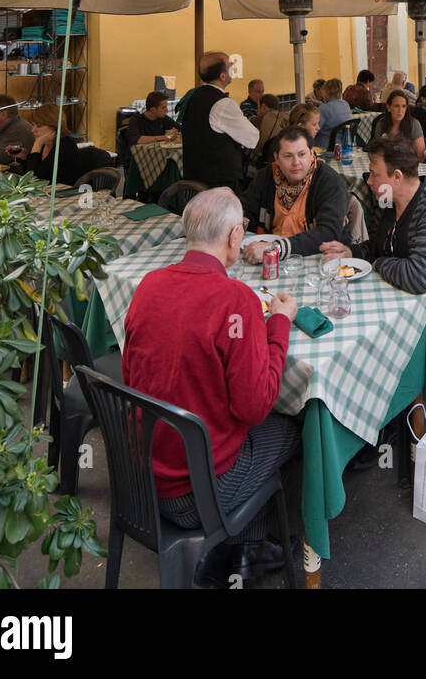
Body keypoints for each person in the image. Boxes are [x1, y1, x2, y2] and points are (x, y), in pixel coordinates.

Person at [122, 187, 300, 582]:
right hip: (197, 492)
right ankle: (250, 546)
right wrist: (279, 324)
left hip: (139, 477)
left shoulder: (149, 285)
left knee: (239, 416)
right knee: (294, 425)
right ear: (236, 237)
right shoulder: (236, 299)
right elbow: (254, 407)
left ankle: (240, 549)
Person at [320, 137, 426, 349]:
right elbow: (375, 247)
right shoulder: (387, 202)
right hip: (389, 303)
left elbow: (418, 277)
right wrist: (350, 252)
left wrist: (378, 264)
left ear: (397, 176)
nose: (368, 181)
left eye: (374, 175)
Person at [241, 126, 349, 262]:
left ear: (311, 154)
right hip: (272, 261)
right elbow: (245, 210)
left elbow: (328, 233)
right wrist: (238, 223)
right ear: (277, 158)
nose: (296, 162)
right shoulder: (265, 177)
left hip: (319, 261)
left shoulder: (329, 181)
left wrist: (277, 248)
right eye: (288, 156)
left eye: (302, 154)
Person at [181, 52, 259, 194]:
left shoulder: (192, 96)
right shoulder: (223, 104)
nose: (234, 67)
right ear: (222, 76)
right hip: (219, 186)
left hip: (193, 180)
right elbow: (252, 138)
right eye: (230, 65)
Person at [9, 104, 87, 185]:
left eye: (38, 126)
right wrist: (25, 158)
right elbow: (31, 172)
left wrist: (37, 144)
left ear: (54, 126)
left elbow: (34, 178)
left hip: (61, 194)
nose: (32, 130)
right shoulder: (45, 143)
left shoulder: (65, 144)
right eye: (33, 125)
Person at [370, 89, 426, 160]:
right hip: (387, 164)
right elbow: (376, 152)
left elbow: (421, 155)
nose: (400, 111)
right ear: (388, 107)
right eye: (396, 106)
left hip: (408, 165)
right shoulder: (381, 124)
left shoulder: (414, 124)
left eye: (403, 106)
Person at [316, 78, 352, 150]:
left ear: (326, 91)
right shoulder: (345, 104)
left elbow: (316, 128)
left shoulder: (324, 108)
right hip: (344, 143)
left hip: (325, 146)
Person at [253, 94, 287, 162]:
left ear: (263, 107)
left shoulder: (258, 120)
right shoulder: (286, 118)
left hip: (265, 161)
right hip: (284, 158)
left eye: (258, 107)